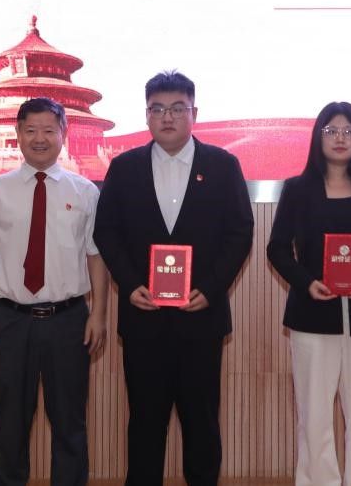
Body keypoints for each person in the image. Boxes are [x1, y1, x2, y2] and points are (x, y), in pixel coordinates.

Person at [94, 71, 254, 486]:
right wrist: (130, 284)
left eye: (177, 108)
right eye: (158, 109)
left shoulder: (223, 166)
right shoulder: (123, 168)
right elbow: (106, 232)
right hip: (143, 318)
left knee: (201, 422)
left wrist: (212, 289)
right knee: (145, 422)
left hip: (201, 318)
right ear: (146, 115)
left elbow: (240, 232)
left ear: (194, 113)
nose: (167, 117)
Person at [0, 97, 110, 486]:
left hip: (69, 320)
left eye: (48, 130)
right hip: (9, 320)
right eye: (30, 130)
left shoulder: (86, 192)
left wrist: (98, 314)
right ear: (18, 134)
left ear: (64, 133)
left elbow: (96, 257)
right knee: (11, 421)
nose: (39, 138)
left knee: (69, 422)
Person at [266, 101, 351, 486]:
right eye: (331, 131)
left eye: (349, 131)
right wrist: (305, 281)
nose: (340, 138)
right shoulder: (297, 190)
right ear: (318, 137)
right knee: (313, 415)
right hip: (312, 317)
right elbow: (277, 249)